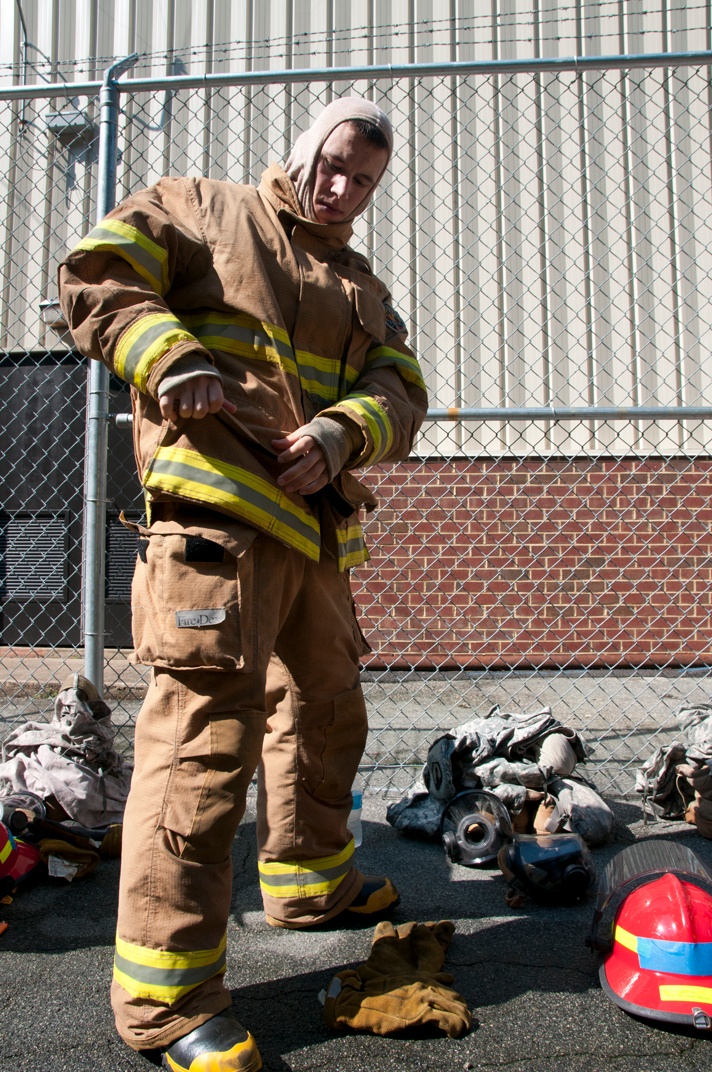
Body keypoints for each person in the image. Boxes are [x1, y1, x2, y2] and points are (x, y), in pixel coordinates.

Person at [58, 96, 427, 1072]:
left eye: (366, 182)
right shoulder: (201, 208)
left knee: (325, 707)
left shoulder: (358, 283)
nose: (344, 190)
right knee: (202, 744)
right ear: (304, 146)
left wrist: (344, 431)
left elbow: (402, 385)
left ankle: (310, 881)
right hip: (215, 528)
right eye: (337, 165)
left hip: (316, 536)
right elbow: (99, 277)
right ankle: (167, 1002)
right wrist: (165, 352)